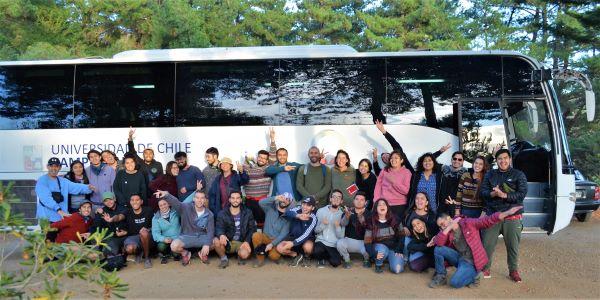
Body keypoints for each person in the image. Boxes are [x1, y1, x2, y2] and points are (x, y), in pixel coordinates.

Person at [428, 206, 523, 289]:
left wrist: (507, 213)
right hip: (460, 258)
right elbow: (439, 243)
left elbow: (486, 221)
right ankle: (441, 276)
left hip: (472, 262)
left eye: (443, 222)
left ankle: (475, 276)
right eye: (440, 226)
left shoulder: (468, 223)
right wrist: (448, 228)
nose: (443, 226)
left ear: (449, 218)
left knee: (454, 283)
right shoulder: (448, 232)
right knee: (438, 249)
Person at [480, 149, 528, 282]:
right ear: (496, 161)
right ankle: (485, 268)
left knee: (513, 247)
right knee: (487, 244)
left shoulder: (518, 174)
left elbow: (522, 194)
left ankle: (513, 271)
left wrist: (504, 195)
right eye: (500, 158)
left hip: (513, 216)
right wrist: (492, 194)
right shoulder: (490, 174)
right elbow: (483, 192)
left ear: (510, 159)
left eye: (505, 158)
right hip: (493, 216)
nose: (503, 161)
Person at [154, 189, 214, 266]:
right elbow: (176, 203)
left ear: (205, 199)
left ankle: (202, 253)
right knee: (174, 246)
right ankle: (185, 254)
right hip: (187, 237)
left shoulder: (209, 214)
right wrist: (167, 194)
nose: (199, 200)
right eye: (197, 198)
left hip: (201, 237)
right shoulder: (186, 208)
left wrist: (206, 244)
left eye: (202, 198)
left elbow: (210, 231)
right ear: (194, 199)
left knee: (216, 242)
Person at [36, 157, 94, 227]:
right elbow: (46, 198)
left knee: (60, 237)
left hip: (60, 218)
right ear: (47, 167)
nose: (54, 168)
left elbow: (75, 187)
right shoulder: (42, 180)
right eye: (51, 166)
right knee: (48, 237)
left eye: (56, 166)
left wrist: (88, 187)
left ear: (60, 167)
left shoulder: (63, 180)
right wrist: (59, 210)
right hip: (47, 218)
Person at [213, 190, 257, 268]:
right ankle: (224, 259)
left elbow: (252, 229)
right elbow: (218, 227)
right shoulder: (222, 213)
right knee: (216, 241)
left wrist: (247, 241)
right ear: (229, 200)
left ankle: (239, 255)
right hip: (227, 242)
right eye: (233, 198)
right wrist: (221, 235)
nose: (235, 200)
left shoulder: (248, 212)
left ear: (241, 199)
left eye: (237, 198)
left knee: (244, 254)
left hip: (241, 242)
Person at [252, 192, 293, 267]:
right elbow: (261, 202)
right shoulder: (270, 208)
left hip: (275, 241)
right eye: (283, 197)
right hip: (265, 237)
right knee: (256, 235)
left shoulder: (288, 217)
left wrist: (272, 244)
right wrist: (276, 197)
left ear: (290, 202)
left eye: (287, 199)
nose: (284, 200)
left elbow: (282, 235)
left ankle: (268, 252)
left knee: (274, 256)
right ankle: (260, 259)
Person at [364, 198, 405, 274]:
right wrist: (373, 253)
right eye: (379, 205)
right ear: (376, 209)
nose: (382, 206)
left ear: (387, 207)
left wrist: (399, 248)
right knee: (381, 250)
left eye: (384, 204)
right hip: (380, 247)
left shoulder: (395, 219)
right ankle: (378, 264)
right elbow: (367, 241)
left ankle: (391, 259)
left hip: (393, 248)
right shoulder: (371, 221)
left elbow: (402, 235)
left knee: (397, 270)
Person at [277, 196, 317, 267]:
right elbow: (287, 212)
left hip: (306, 239)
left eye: (308, 205)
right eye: (304, 204)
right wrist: (297, 215)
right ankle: (296, 255)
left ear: (313, 208)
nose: (305, 207)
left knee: (308, 247)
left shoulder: (313, 218)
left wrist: (293, 243)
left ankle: (306, 257)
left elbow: (306, 234)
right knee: (279, 248)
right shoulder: (297, 209)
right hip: (293, 237)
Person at [336, 191, 371, 269]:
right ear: (353, 201)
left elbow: (369, 228)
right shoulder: (348, 211)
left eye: (362, 200)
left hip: (363, 242)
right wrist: (346, 216)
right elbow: (343, 224)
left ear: (365, 202)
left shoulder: (369, 214)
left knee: (371, 247)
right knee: (339, 243)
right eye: (357, 199)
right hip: (349, 240)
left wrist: (361, 219)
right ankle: (347, 259)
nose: (359, 201)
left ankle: (366, 260)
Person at [373, 150, 412, 220]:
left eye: (396, 158)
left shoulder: (407, 172)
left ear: (401, 160)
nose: (393, 160)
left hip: (400, 206)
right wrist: (376, 201)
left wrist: (394, 182)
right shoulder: (385, 170)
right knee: (384, 229)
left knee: (398, 229)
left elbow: (406, 191)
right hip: (384, 205)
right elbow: (378, 187)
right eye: (391, 158)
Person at [244, 145, 277, 228]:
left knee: (261, 224)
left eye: (264, 158)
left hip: (261, 201)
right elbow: (243, 169)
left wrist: (272, 140)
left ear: (267, 161)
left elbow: (273, 158)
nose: (261, 159)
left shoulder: (268, 169)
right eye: (260, 157)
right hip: (248, 201)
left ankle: (262, 239)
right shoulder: (249, 167)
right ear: (257, 157)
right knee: (248, 224)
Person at [313, 189, 345, 268]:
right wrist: (323, 225)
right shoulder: (321, 211)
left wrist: (337, 227)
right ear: (330, 199)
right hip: (321, 241)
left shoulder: (342, 215)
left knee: (336, 263)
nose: (336, 199)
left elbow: (341, 237)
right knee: (316, 251)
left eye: (339, 198)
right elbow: (315, 231)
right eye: (334, 197)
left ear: (341, 201)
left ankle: (326, 256)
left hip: (333, 245)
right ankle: (321, 258)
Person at [89, 192, 127, 257]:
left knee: (110, 250)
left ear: (114, 199)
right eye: (106, 201)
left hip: (123, 236)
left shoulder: (123, 208)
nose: (108, 202)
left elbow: (119, 217)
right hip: (110, 236)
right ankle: (95, 257)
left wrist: (111, 219)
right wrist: (90, 233)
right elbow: (96, 226)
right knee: (94, 238)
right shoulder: (102, 211)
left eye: (110, 199)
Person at [122, 194, 154, 269]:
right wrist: (112, 219)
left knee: (144, 233)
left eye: (137, 200)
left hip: (147, 236)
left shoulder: (148, 210)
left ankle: (147, 258)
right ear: (130, 202)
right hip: (134, 237)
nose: (134, 202)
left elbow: (155, 225)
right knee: (129, 248)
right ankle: (139, 253)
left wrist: (147, 229)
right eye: (132, 200)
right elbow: (120, 217)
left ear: (141, 201)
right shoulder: (128, 212)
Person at [152, 198, 181, 264]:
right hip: (166, 239)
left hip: (177, 238)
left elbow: (184, 203)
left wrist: (196, 191)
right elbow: (155, 233)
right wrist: (164, 239)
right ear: (159, 207)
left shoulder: (175, 212)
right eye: (161, 205)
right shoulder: (156, 218)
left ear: (168, 204)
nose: (163, 206)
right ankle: (164, 255)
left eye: (164, 204)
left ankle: (174, 254)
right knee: (161, 247)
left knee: (176, 254)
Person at [439, 151, 468, 216]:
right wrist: (440, 151)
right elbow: (430, 160)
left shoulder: (466, 174)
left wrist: (493, 156)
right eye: (455, 159)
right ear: (451, 159)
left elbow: (481, 168)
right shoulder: (443, 170)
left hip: (457, 207)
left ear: (463, 161)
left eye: (460, 159)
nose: (456, 161)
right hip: (443, 206)